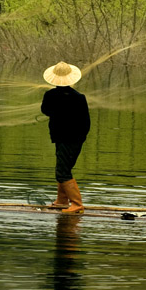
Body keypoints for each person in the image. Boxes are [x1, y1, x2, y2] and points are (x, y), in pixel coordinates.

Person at [41, 61, 91, 214]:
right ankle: (62, 201)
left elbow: (45, 111)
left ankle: (77, 205)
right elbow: (86, 121)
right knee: (64, 169)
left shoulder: (50, 95)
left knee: (62, 172)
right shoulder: (79, 97)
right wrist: (80, 138)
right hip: (75, 139)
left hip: (62, 138)